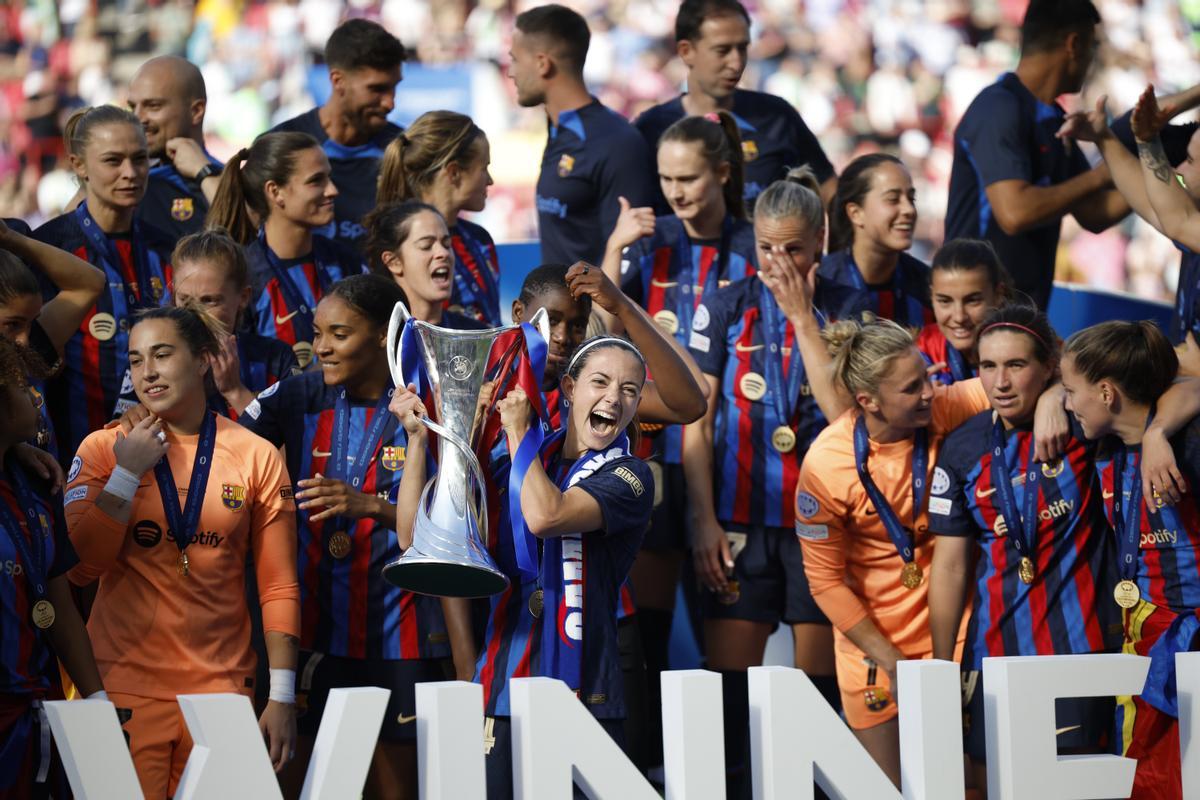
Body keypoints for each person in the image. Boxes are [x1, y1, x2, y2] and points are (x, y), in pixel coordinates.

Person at [393, 335, 655, 799]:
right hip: (503, 687)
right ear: (570, 388)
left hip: (585, 692)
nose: (614, 397)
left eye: (630, 390)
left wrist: (517, 435)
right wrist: (419, 443)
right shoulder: (520, 462)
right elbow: (417, 540)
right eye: (601, 381)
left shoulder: (629, 476)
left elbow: (546, 515)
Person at [64, 305, 300, 799]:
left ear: (203, 360)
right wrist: (126, 476)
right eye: (134, 360)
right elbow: (82, 568)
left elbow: (277, 582)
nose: (146, 372)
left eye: (162, 354)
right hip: (124, 685)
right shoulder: (106, 447)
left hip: (223, 692)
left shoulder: (255, 454)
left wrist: (281, 695)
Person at [239, 274, 455, 799]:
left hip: (401, 633)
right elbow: (225, 447)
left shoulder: (429, 401)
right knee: (306, 786)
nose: (322, 347)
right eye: (317, 332)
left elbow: (453, 522)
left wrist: (371, 507)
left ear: (384, 336)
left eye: (339, 334)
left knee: (394, 790)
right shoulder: (297, 394)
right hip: (315, 631)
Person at [684, 168, 851, 796]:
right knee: (730, 695)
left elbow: (843, 416)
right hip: (739, 521)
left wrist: (803, 318)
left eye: (794, 249)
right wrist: (702, 519)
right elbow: (695, 424)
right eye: (765, 249)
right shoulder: (725, 306)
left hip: (820, 525)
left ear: (821, 241)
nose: (778, 262)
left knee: (815, 699)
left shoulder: (845, 306)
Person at [795, 319, 999, 786]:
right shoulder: (827, 465)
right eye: (913, 388)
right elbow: (824, 583)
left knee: (967, 787)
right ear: (867, 401)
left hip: (957, 634)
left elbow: (1029, 384)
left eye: (927, 376)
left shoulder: (946, 406)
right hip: (874, 647)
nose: (930, 391)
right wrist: (890, 659)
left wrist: (1049, 402)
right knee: (889, 790)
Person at [926, 306, 1120, 792]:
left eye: (1016, 365)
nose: (1001, 381)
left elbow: (1171, 378)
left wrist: (1060, 394)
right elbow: (950, 568)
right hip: (991, 658)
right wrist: (941, 667)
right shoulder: (962, 448)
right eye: (988, 366)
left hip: (1080, 656)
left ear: (1049, 364)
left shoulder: (1085, 428)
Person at [1061, 322, 1200, 800]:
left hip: (1191, 647)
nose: (1066, 404)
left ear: (1105, 392)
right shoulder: (1103, 447)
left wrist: (1161, 431)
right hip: (1142, 648)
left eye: (1070, 392)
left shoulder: (1190, 444)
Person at [944, 0, 1129, 310]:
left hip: (1022, 319)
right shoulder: (998, 108)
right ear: (1073, 44)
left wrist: (1165, 174)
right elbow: (1016, 213)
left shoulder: (1054, 118)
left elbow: (1096, 213)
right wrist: (1100, 176)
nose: (1093, 58)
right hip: (975, 319)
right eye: (1093, 45)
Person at [31, 105, 174, 463]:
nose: (130, 173)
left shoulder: (169, 249)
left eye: (139, 159)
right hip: (68, 456)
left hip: (158, 455)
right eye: (113, 160)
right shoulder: (52, 247)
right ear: (79, 165)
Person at [0, 335, 105, 800]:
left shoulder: (36, 481)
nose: (37, 398)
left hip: (35, 713)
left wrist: (97, 701)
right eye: (25, 388)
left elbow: (60, 605)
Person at [634, 0, 835, 212]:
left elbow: (829, 191)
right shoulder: (651, 129)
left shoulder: (777, 116)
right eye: (722, 50)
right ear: (686, 51)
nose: (736, 63)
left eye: (742, 48)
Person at [509, 4, 655, 266]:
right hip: (553, 305)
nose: (511, 71)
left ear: (542, 63)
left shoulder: (616, 142)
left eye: (516, 60)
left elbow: (632, 259)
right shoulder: (558, 128)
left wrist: (591, 308)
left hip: (595, 308)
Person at [207, 131, 365, 369]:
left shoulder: (346, 263)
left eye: (329, 178)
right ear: (275, 192)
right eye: (316, 181)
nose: (332, 190)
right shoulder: (242, 274)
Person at [1060, 85, 1200, 351]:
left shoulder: (1187, 223)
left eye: (1190, 161)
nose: (1179, 168)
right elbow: (1153, 204)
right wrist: (1105, 138)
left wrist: (1147, 141)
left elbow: (1177, 221)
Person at [115, 230, 300, 420]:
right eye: (185, 300)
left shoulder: (275, 360)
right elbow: (122, 432)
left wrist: (235, 392)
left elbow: (291, 445)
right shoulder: (151, 360)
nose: (194, 312)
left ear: (243, 297)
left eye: (209, 300)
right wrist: (133, 418)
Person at [272, 19, 405, 251]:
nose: (390, 103)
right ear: (338, 81)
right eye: (377, 89)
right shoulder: (280, 145)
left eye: (394, 87)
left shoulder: (405, 151)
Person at [376, 111, 500, 326]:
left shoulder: (479, 239)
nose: (490, 180)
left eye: (446, 244)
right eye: (484, 168)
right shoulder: (393, 240)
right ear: (454, 173)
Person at [0, 218, 106, 457]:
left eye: (31, 321)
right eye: (12, 324)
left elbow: (90, 283)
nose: (25, 340)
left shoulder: (24, 346)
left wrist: (9, 238)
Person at [818, 154, 932, 329]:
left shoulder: (928, 286)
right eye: (893, 199)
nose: (909, 209)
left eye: (911, 198)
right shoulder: (821, 284)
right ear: (856, 213)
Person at [128, 55, 223, 243]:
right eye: (132, 108)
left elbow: (247, 237)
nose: (137, 118)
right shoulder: (127, 182)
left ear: (196, 111)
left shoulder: (228, 179)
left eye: (153, 106)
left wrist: (203, 171)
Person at [363, 202, 488, 332]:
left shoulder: (474, 336)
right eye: (426, 246)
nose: (443, 253)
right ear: (393, 262)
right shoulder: (374, 339)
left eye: (446, 244)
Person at [915, 239, 1010, 386]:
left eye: (972, 300)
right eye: (945, 301)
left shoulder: (1029, 347)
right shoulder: (920, 350)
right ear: (932, 297)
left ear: (998, 295)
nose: (959, 317)